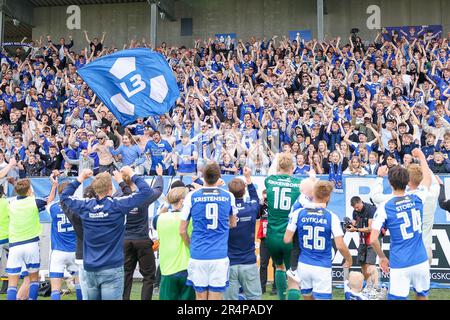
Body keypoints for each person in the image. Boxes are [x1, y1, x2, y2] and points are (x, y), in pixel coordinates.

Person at [60, 166, 154, 300]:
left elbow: (64, 196)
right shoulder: (117, 204)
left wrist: (81, 178)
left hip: (90, 267)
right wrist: (130, 174)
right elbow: (146, 192)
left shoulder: (86, 205)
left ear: (95, 189)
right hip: (111, 267)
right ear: (111, 188)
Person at [370, 149, 432, 300]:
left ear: (390, 182)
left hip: (400, 262)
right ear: (407, 181)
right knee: (422, 295)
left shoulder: (386, 205)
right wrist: (422, 157)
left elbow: (372, 239)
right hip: (420, 260)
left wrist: (382, 257)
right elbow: (427, 179)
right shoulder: (417, 197)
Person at [284, 180, 352, 300]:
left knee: (307, 297)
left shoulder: (299, 213)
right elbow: (340, 246)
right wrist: (349, 259)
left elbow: (287, 239)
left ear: (313, 193)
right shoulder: (331, 216)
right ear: (328, 197)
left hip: (304, 264)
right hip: (322, 267)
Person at [179, 161, 238, 300]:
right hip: (219, 255)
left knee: (200, 298)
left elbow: (182, 230)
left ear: (203, 176)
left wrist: (191, 246)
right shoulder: (228, 196)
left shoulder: (192, 196)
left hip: (198, 254)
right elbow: (233, 223)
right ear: (219, 177)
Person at [119, 164, 164, 300]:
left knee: (126, 275)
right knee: (149, 276)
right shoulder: (142, 196)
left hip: (125, 240)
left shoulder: (118, 197)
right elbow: (158, 189)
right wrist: (160, 175)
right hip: (142, 240)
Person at [264, 153, 302, 300]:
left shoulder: (270, 180)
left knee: (278, 267)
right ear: (292, 168)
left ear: (279, 167)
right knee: (293, 275)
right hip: (290, 234)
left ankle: (281, 298)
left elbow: (272, 172)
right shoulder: (298, 183)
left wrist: (277, 159)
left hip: (272, 234)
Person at [5, 172, 48, 300]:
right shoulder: (34, 202)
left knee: (12, 283)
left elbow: (20, 194)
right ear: (29, 190)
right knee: (33, 279)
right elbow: (48, 199)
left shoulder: (10, 204)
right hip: (31, 243)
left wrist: (16, 185)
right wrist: (54, 185)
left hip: (15, 245)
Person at [224, 167, 262, 300]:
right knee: (254, 297)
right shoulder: (251, 208)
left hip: (230, 262)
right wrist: (248, 179)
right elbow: (255, 199)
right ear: (244, 190)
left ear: (229, 192)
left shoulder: (224, 211)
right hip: (248, 262)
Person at [154, 186, 195, 300]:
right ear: (182, 201)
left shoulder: (160, 219)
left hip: (167, 269)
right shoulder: (190, 219)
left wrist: (167, 204)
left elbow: (157, 218)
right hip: (187, 267)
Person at [46, 174, 80, 300]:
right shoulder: (77, 206)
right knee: (79, 284)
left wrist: (54, 186)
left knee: (55, 288)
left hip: (58, 251)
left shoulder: (54, 207)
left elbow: (48, 202)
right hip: (75, 250)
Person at [348, 196, 379, 287]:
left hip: (372, 239)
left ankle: (376, 286)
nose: (356, 209)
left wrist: (356, 229)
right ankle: (368, 285)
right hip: (362, 240)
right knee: (362, 263)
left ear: (361, 202)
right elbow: (353, 224)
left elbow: (370, 228)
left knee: (370, 264)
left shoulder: (371, 209)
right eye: (354, 208)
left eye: (357, 207)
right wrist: (348, 226)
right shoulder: (355, 212)